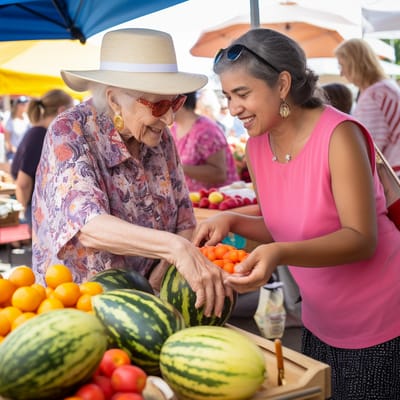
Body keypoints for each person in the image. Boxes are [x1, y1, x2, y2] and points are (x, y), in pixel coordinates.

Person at [192, 28, 400, 399]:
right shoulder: (257, 144)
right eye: (227, 96)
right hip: (319, 319)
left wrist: (279, 253)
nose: (233, 108)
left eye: (243, 94)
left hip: (379, 318)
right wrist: (230, 221)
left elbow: (361, 239)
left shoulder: (339, 135)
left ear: (283, 84)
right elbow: (284, 222)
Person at [31, 28, 231, 317]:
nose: (171, 118)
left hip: (148, 307)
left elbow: (185, 220)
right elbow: (89, 227)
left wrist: (160, 274)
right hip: (79, 309)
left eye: (174, 102)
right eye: (160, 105)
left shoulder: (160, 139)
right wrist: (173, 249)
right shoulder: (70, 132)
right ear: (114, 100)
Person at [334, 38, 400, 175]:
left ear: (354, 64)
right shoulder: (386, 87)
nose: (341, 73)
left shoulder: (373, 95)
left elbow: (370, 146)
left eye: (342, 66)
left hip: (393, 174)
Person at [11, 89, 74, 229]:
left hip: (39, 210)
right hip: (38, 211)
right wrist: (25, 214)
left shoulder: (38, 133)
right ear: (61, 110)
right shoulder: (39, 136)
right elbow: (23, 183)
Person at [170, 91, 239, 191]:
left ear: (178, 102)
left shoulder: (206, 130)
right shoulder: (174, 129)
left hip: (217, 201)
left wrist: (178, 167)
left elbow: (220, 174)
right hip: (195, 202)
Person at [4, 96, 30, 161]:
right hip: (13, 154)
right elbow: (7, 141)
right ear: (17, 105)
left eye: (26, 104)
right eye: (23, 104)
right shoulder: (10, 120)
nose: (25, 106)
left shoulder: (27, 119)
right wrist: (16, 151)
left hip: (26, 153)